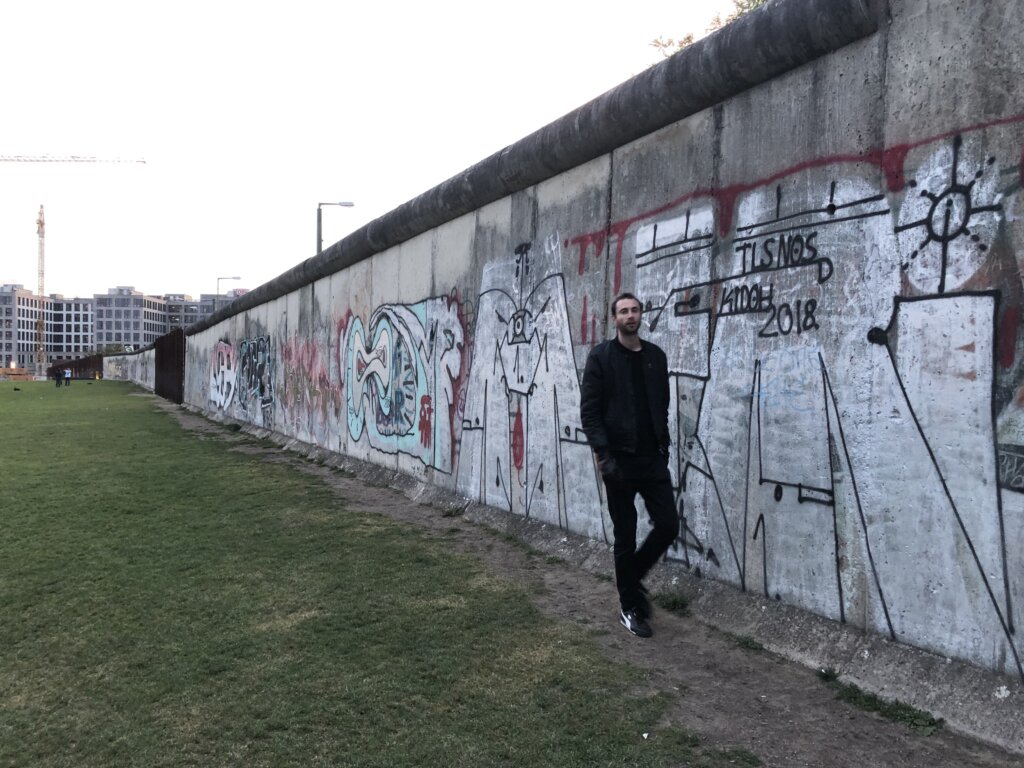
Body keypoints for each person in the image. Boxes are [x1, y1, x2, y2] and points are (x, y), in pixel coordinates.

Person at [580, 292, 678, 638]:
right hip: (618, 461)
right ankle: (630, 608)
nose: (630, 315)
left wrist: (663, 447)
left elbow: (662, 405)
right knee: (625, 535)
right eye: (624, 311)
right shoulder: (601, 358)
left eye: (635, 310)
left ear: (641, 315)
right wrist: (603, 455)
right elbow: (590, 412)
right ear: (614, 318)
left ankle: (631, 579)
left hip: (651, 459)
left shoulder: (655, 357)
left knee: (668, 525)